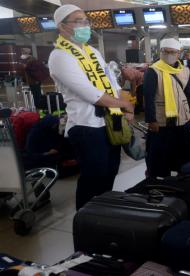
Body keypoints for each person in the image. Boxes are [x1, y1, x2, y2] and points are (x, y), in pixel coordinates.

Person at [48, 4, 134, 210]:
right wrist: (125, 105)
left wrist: (123, 105)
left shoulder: (93, 52)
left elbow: (112, 83)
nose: (85, 26)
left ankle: (102, 217)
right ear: (62, 26)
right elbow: (90, 93)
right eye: (79, 21)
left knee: (110, 173)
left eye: (86, 21)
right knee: (93, 177)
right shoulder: (60, 56)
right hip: (86, 127)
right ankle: (86, 221)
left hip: (109, 122)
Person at [143, 38, 190, 178]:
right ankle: (159, 180)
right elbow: (148, 97)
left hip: (181, 119)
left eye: (173, 52)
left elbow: (189, 94)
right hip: (161, 122)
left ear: (179, 54)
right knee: (160, 157)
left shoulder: (185, 71)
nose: (169, 54)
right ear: (160, 52)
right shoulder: (153, 71)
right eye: (166, 52)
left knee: (183, 154)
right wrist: (151, 120)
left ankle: (183, 178)